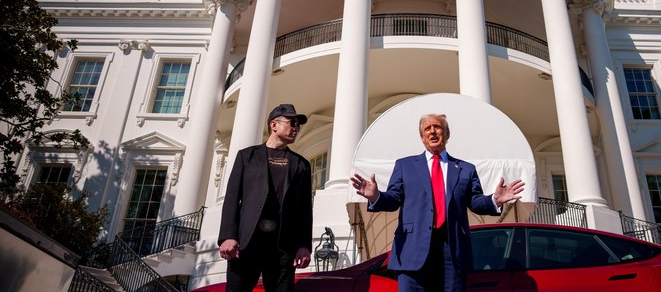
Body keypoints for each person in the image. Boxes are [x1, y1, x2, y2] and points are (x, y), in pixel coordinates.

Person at [350, 113, 524, 292]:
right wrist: (375, 196)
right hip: (413, 250)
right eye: (427, 129)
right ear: (422, 137)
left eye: (437, 127)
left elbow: (475, 201)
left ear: (447, 134)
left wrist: (494, 199)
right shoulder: (405, 166)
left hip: (452, 251)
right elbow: (393, 199)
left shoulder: (466, 169)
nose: (432, 132)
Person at [218, 103, 313, 292]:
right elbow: (232, 198)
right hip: (246, 244)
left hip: (283, 248)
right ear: (274, 125)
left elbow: (305, 209)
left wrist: (304, 245)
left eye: (298, 125)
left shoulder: (301, 164)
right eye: (291, 122)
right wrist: (228, 236)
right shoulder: (247, 156)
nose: (296, 128)